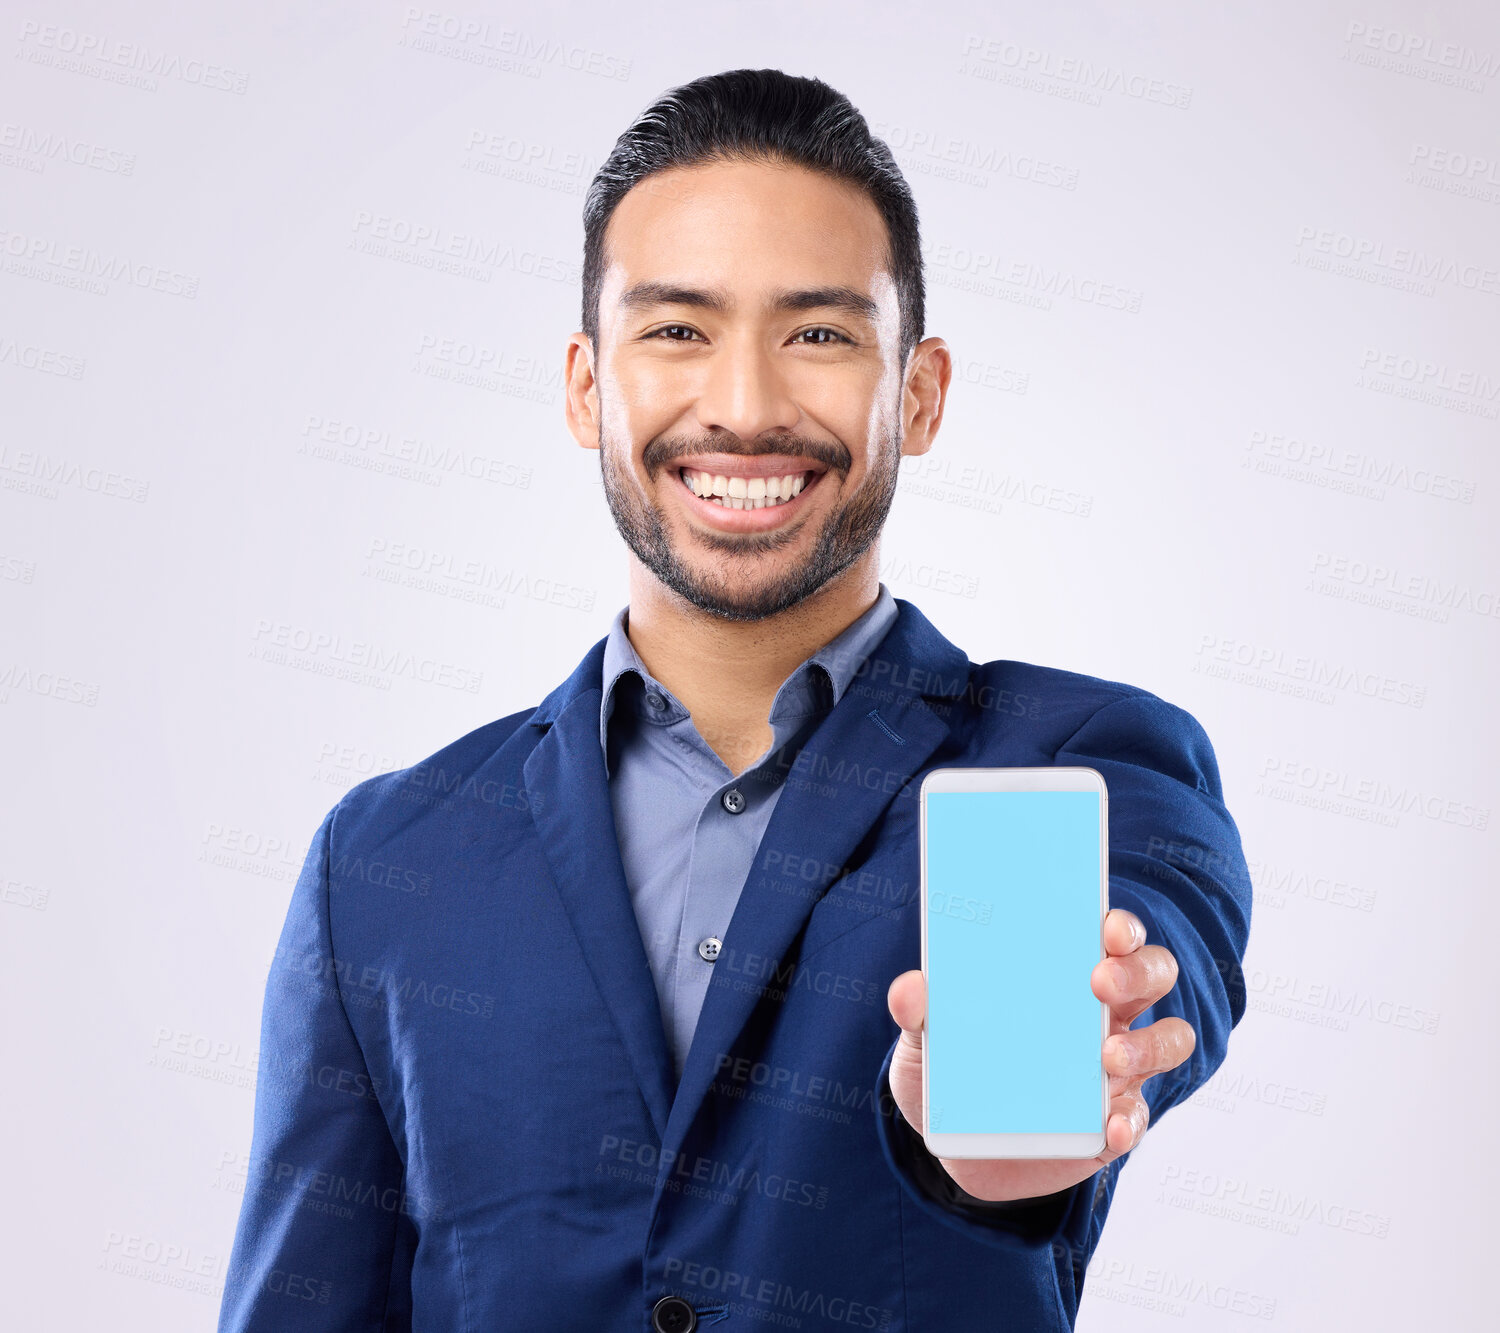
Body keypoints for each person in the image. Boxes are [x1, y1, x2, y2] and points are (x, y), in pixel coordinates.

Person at [217, 68, 1251, 1333]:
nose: (749, 408)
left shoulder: (1082, 760)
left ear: (916, 395)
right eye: (676, 330)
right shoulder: (384, 860)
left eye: (818, 333)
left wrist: (1025, 1107)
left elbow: (1156, 943)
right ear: (587, 386)